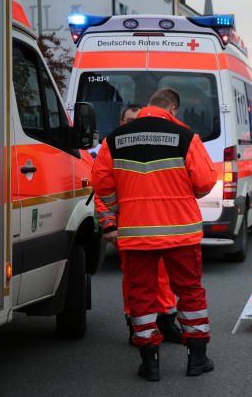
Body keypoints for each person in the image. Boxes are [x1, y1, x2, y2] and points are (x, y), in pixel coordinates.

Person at [92, 88, 217, 381]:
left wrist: (120, 210)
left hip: (136, 233)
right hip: (180, 233)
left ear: (148, 106)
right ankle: (197, 359)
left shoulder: (114, 139)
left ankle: (150, 363)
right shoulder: (186, 137)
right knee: (190, 292)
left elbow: (101, 183)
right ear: (172, 109)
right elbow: (204, 182)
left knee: (141, 296)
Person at [114, 104, 182, 346]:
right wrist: (109, 224)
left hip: (157, 224)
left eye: (138, 120)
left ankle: (165, 320)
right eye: (130, 121)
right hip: (130, 227)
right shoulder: (114, 146)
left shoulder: (154, 145)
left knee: (163, 276)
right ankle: (137, 327)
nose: (135, 126)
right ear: (121, 123)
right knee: (135, 281)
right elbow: (102, 188)